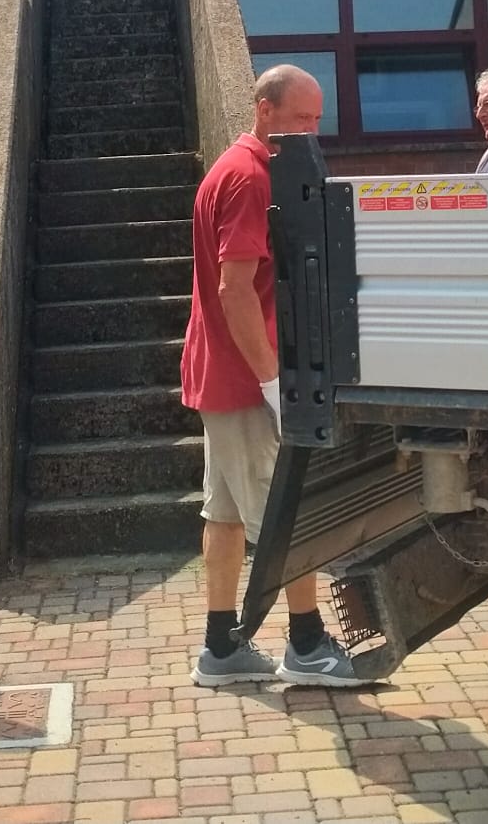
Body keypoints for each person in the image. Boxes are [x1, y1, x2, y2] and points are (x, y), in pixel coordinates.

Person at [183, 64, 360, 687]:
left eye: (317, 120)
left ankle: (221, 647)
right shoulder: (252, 176)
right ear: (265, 110)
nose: (312, 131)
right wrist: (270, 383)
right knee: (287, 514)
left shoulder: (238, 168)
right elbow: (235, 290)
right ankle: (306, 643)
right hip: (245, 379)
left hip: (223, 375)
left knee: (226, 514)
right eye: (300, 118)